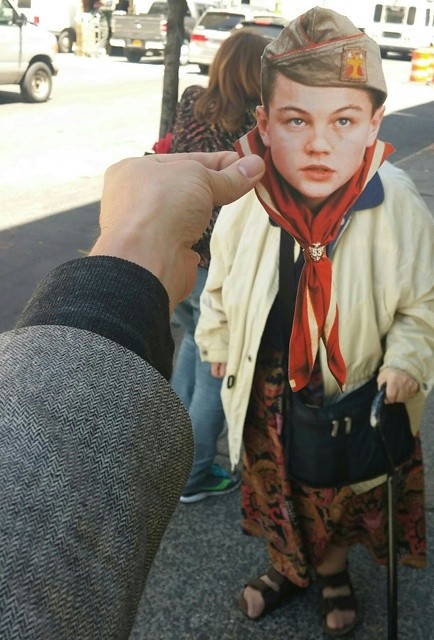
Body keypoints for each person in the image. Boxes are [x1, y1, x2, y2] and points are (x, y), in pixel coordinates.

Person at [195, 8, 434, 636]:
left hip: (350, 383)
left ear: (373, 124)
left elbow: (430, 296)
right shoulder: (250, 194)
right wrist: (218, 336)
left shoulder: (394, 201)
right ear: (265, 123)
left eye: (343, 121)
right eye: (296, 120)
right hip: (266, 378)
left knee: (335, 492)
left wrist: (409, 358)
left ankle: (333, 571)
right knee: (272, 481)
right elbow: (221, 278)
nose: (319, 144)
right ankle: (287, 567)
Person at [0, 151, 265, 639]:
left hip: (178, 271)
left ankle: (190, 464)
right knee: (203, 364)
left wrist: (131, 240)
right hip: (194, 273)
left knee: (193, 353)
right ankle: (197, 471)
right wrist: (136, 245)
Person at [167, 29, 271, 503]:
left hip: (181, 247)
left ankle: (169, 456)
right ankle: (194, 473)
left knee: (193, 343)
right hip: (222, 261)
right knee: (217, 363)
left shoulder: (192, 100)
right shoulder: (255, 124)